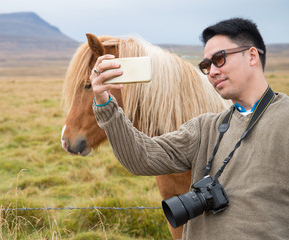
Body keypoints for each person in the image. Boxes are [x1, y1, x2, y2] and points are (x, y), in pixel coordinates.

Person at [90, 17, 289, 240]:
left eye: (219, 59)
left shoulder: (284, 120)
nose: (212, 71)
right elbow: (141, 157)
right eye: (206, 65)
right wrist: (104, 102)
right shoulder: (205, 128)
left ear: (252, 56)